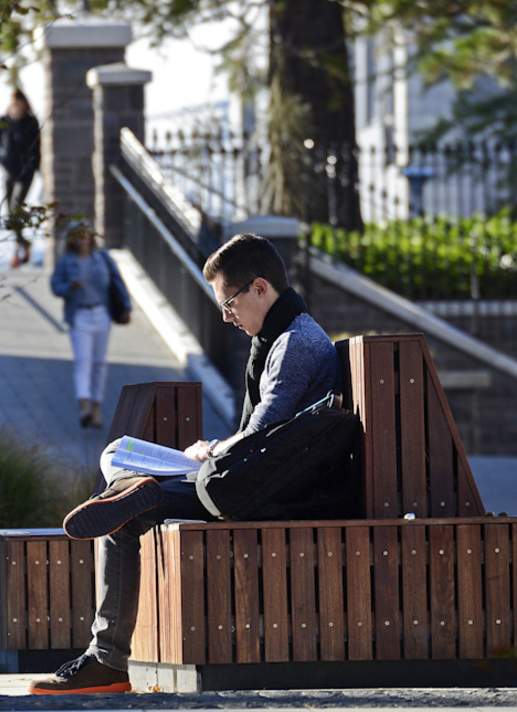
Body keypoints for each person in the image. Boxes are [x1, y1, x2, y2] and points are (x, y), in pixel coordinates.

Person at [30, 232, 340, 695]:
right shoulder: (283, 336)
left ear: (260, 288)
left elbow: (264, 435)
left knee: (122, 517)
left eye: (229, 303)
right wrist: (212, 449)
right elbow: (263, 435)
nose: (226, 316)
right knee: (116, 452)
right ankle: (134, 487)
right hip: (243, 476)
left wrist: (213, 452)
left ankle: (107, 661)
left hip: (256, 488)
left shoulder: (294, 343)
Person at [50, 222, 131, 430]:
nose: (82, 240)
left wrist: (126, 307)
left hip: (101, 312)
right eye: (77, 236)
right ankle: (83, 406)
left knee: (98, 363)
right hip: (79, 314)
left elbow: (117, 281)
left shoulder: (102, 257)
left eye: (85, 235)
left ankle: (96, 407)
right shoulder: (66, 261)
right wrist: (69, 287)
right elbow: (55, 285)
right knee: (83, 360)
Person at [0, 89, 41, 267]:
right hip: (9, 171)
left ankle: (20, 246)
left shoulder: (31, 122)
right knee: (10, 213)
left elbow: (37, 148)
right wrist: (3, 162)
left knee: (16, 207)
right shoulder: (3, 122)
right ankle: (21, 245)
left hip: (25, 172)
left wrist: (33, 166)